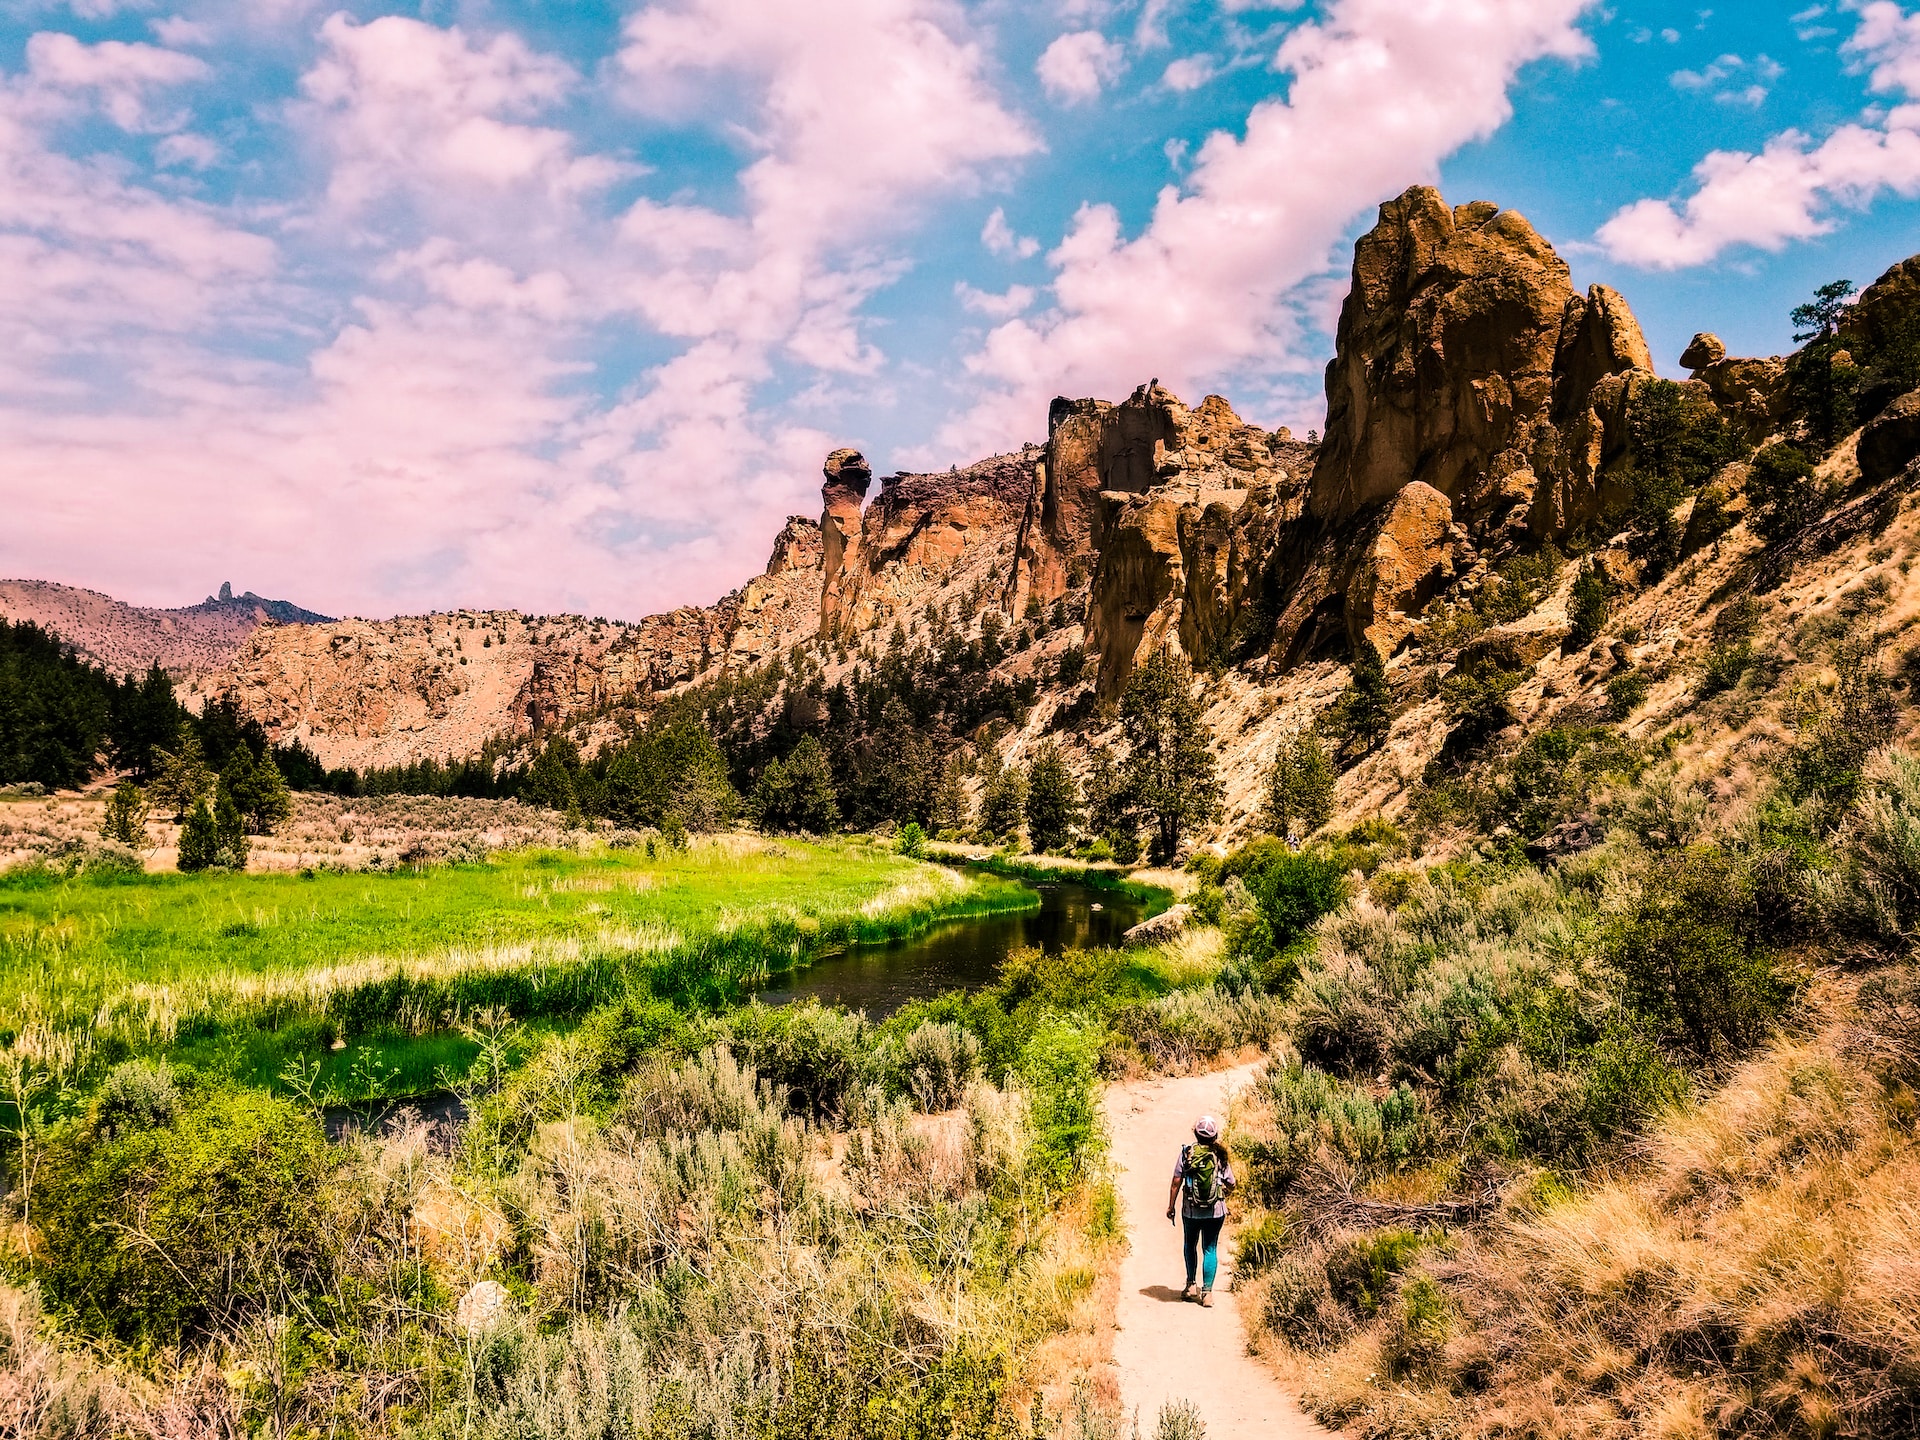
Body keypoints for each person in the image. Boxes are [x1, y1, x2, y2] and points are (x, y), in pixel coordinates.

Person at [1166, 1113, 1235, 1306]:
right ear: (1215, 1136)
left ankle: (1190, 1286)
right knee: (1210, 1248)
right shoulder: (1220, 1155)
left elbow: (1176, 1181)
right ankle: (1207, 1294)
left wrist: (1171, 1206)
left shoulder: (1187, 1153)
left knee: (1190, 1244)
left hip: (1190, 1209)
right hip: (1215, 1210)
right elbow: (1231, 1182)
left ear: (1195, 1134)